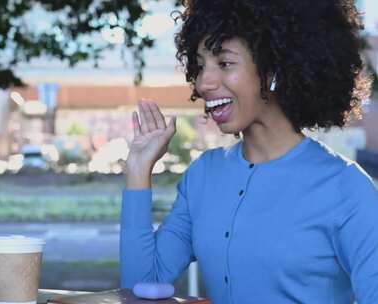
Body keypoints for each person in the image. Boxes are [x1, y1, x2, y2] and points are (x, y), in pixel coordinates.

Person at [119, 0, 378, 303]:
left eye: (225, 63)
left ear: (274, 69)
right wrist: (138, 170)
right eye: (200, 65)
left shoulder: (344, 187)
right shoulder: (203, 175)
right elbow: (141, 287)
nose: (204, 82)